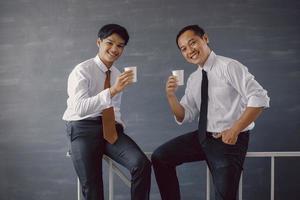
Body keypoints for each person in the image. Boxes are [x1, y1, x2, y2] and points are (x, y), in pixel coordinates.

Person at [151, 25, 270, 200]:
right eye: (183, 49)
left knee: (224, 197)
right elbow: (185, 115)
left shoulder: (229, 66)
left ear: (205, 39)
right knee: (160, 157)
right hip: (203, 137)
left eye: (193, 43)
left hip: (228, 141)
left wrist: (235, 130)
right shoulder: (194, 78)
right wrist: (171, 96)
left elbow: (259, 98)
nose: (189, 50)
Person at [63, 24, 151, 200]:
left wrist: (118, 125)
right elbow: (79, 108)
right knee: (94, 188)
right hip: (83, 129)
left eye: (120, 46)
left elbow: (114, 108)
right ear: (98, 42)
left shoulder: (117, 74)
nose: (114, 49)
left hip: (110, 129)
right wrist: (112, 90)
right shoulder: (82, 70)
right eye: (110, 43)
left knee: (142, 164)